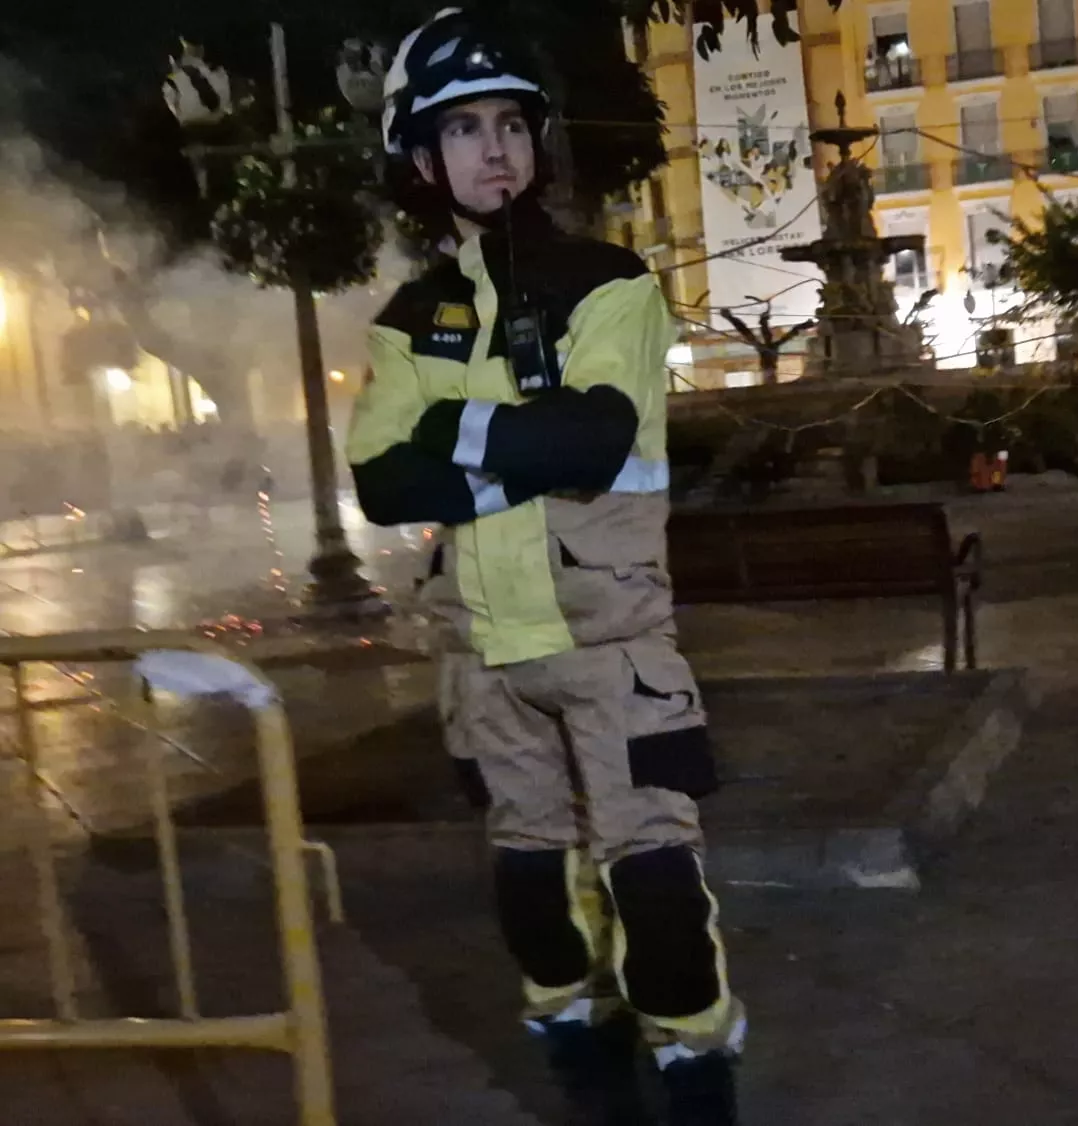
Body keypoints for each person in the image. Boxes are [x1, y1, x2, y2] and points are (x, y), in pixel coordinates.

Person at [346, 10, 741, 1124]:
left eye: (509, 124)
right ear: (424, 159)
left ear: (537, 140)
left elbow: (589, 443)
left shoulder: (611, 286)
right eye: (463, 128)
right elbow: (381, 481)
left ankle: (699, 1081)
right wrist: (516, 438)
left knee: (654, 892)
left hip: (612, 653)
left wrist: (453, 441)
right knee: (535, 901)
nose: (492, 149)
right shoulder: (411, 316)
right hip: (484, 664)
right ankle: (590, 1085)